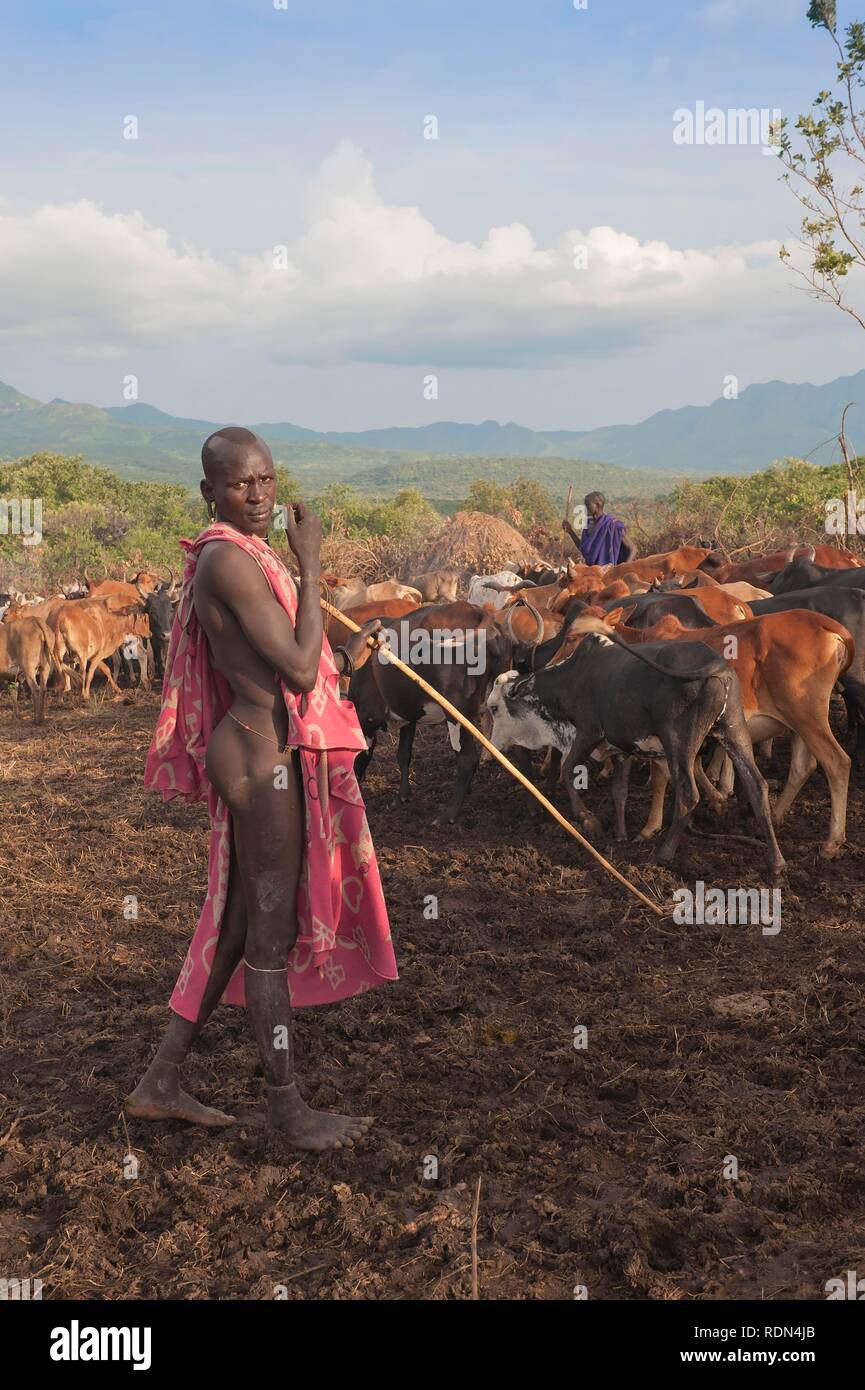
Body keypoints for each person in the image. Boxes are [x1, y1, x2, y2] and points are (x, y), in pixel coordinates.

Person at [127, 427, 397, 1151]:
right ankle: (288, 1110)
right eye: (240, 484)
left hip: (262, 746)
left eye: (266, 481)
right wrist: (310, 568)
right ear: (209, 492)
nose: (257, 495)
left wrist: (333, 634)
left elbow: (298, 655)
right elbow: (301, 672)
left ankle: (159, 1082)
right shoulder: (228, 561)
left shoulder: (245, 556)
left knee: (238, 927)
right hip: (260, 757)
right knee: (268, 943)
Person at [561, 491, 637, 566]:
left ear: (597, 505)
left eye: (588, 504)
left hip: (610, 573)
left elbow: (633, 549)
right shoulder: (588, 525)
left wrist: (623, 569)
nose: (586, 508)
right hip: (593, 572)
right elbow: (583, 548)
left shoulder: (613, 525)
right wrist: (570, 531)